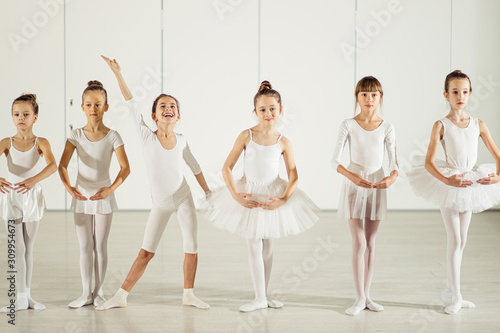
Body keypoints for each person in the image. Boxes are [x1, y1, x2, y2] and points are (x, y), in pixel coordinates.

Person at [97, 55, 210, 311]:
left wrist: (207, 191)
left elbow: (195, 167)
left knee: (191, 246)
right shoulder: (146, 135)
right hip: (160, 203)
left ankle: (188, 294)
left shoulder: (181, 139)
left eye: (172, 106)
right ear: (154, 115)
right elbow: (130, 104)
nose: (167, 108)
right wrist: (118, 73)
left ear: (178, 115)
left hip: (183, 197)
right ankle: (121, 295)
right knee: (146, 252)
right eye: (162, 106)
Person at [206, 80, 318, 312]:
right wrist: (236, 196)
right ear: (255, 111)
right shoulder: (246, 136)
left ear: (281, 110)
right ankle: (258, 297)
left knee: (268, 246)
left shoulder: (283, 141)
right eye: (263, 109)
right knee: (254, 244)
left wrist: (284, 199)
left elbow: (294, 175)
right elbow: (227, 167)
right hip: (250, 193)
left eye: (272, 109)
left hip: (271, 194)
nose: (268, 113)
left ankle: (263, 296)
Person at [407, 70, 500, 315]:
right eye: (455, 92)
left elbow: (497, 155)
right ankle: (455, 295)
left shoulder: (478, 124)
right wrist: (447, 181)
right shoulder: (441, 125)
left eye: (465, 92)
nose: (461, 96)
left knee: (463, 240)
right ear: (446, 95)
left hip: (470, 182)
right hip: (450, 182)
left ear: (470, 94)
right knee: (455, 239)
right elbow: (429, 163)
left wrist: (498, 176)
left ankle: (453, 293)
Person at [59, 81, 130, 308]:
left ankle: (98, 293)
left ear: (106, 107)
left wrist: (110, 189)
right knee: (84, 247)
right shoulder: (76, 135)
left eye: (98, 104)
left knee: (100, 245)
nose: (93, 109)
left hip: (103, 197)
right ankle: (84, 293)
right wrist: (70, 188)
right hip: (81, 196)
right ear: (82, 107)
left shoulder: (113, 136)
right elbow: (62, 166)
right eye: (89, 104)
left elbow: (125, 167)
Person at [331, 76, 398, 316]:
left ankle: (368, 296)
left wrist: (390, 178)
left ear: (380, 98)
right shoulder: (348, 124)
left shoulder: (387, 126)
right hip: (354, 185)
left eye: (374, 95)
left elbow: (394, 163)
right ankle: (359, 298)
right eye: (364, 94)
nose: (369, 99)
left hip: (376, 186)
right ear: (357, 97)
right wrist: (352, 176)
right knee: (358, 242)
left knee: (371, 243)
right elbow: (335, 161)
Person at [0, 94, 57, 311]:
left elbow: (53, 165)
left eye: (26, 114)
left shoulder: (41, 142)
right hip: (11, 197)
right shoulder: (7, 143)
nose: (21, 118)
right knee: (17, 247)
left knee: (28, 248)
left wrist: (33, 180)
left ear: (35, 117)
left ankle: (27, 296)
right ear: (12, 117)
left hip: (31, 197)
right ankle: (20, 298)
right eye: (16, 114)